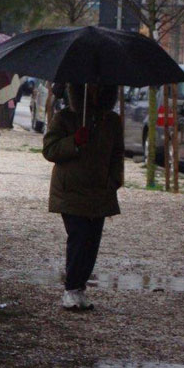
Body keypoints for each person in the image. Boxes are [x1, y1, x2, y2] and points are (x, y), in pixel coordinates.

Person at [42, 83, 123, 311]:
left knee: (92, 242)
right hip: (71, 191)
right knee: (78, 237)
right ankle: (71, 288)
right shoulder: (65, 118)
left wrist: (114, 181)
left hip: (100, 191)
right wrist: (74, 141)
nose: (96, 92)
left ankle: (79, 287)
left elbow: (117, 153)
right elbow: (50, 149)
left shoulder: (112, 121)